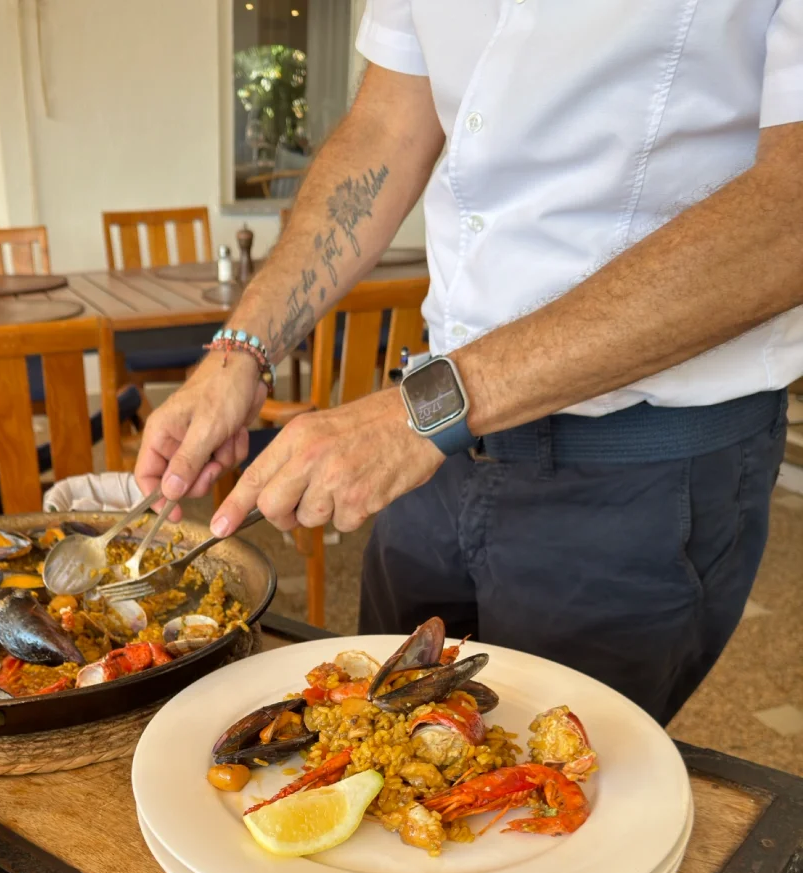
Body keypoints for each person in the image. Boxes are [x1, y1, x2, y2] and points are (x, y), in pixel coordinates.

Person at [134, 1, 803, 723]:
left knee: (545, 794)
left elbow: (790, 208)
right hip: (434, 455)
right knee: (375, 735)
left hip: (636, 472)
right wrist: (243, 349)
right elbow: (384, 128)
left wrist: (426, 409)